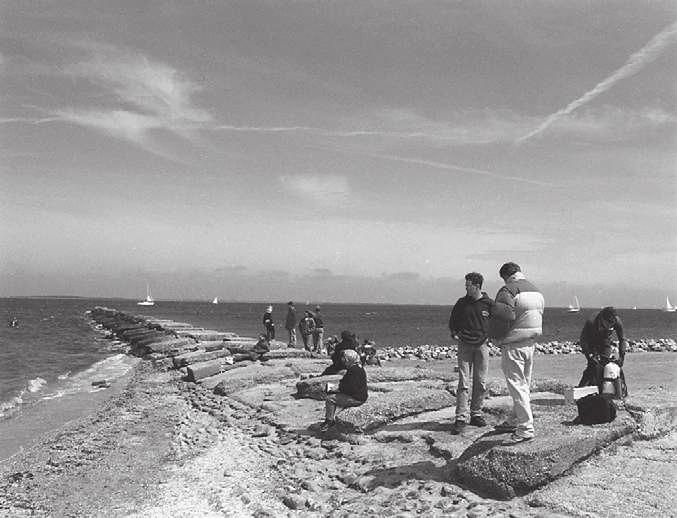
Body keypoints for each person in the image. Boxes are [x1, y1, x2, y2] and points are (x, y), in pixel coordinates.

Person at [491, 262, 545, 444]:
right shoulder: (537, 291)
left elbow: (502, 318)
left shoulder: (508, 290)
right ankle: (514, 418)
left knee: (516, 385)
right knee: (525, 385)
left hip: (513, 344)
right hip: (531, 343)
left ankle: (525, 428)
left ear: (505, 276)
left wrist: (495, 338)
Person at [448, 272, 494, 434]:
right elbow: (453, 320)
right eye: (466, 285)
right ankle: (461, 417)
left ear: (477, 286)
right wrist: (454, 333)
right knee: (463, 382)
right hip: (464, 345)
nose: (466, 288)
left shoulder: (489, 303)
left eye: (468, 285)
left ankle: (476, 414)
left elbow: (496, 322)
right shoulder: (461, 303)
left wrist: (492, 337)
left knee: (481, 382)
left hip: (482, 345)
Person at [577, 306, 628, 397]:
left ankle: (608, 390)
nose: (610, 326)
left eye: (612, 325)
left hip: (605, 340)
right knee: (593, 366)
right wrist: (590, 355)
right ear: (602, 319)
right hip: (591, 340)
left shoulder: (617, 321)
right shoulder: (591, 321)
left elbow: (622, 339)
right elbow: (583, 340)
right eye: (608, 324)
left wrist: (622, 357)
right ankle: (581, 390)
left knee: (605, 364)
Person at [321, 349, 368, 432]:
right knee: (330, 389)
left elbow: (350, 388)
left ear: (348, 359)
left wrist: (337, 389)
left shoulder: (354, 370)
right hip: (358, 394)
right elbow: (347, 383)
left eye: (344, 359)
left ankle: (329, 421)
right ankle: (330, 418)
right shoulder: (357, 367)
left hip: (356, 398)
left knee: (330, 399)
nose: (343, 361)